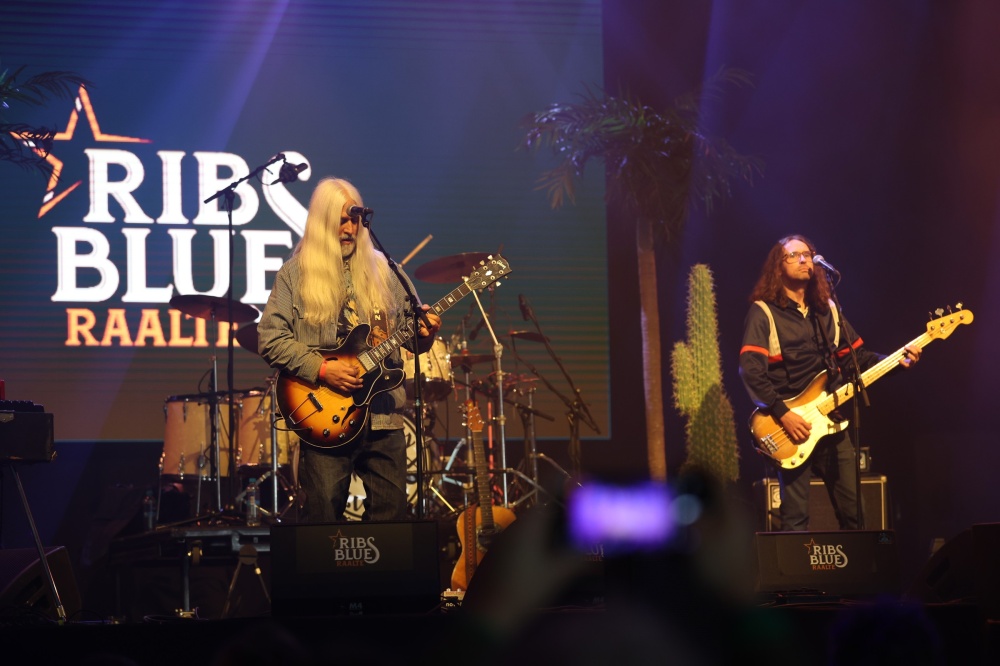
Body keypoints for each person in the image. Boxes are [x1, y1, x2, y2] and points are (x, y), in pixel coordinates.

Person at [257, 177, 442, 522]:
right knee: (322, 524)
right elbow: (270, 338)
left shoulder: (387, 272)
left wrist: (426, 332)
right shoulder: (294, 275)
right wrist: (322, 368)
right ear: (321, 222)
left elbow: (414, 337)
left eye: (355, 219)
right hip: (326, 419)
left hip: (383, 416)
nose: (350, 228)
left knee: (392, 525)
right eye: (341, 220)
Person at [738, 234, 920, 531]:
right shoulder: (764, 312)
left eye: (808, 254)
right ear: (777, 267)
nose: (803, 259)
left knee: (856, 516)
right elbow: (750, 371)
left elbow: (857, 360)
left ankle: (860, 562)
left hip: (831, 424)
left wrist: (897, 361)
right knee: (796, 520)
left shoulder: (828, 310)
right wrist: (783, 414)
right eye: (793, 255)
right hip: (790, 428)